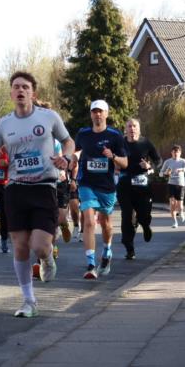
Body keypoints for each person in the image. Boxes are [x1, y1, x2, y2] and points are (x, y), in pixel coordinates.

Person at [0, 71, 74, 318]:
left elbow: (68, 142)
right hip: (15, 189)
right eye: (16, 87)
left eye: (25, 87)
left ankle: (46, 259)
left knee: (40, 246)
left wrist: (66, 158)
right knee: (20, 247)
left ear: (33, 92)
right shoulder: (3, 124)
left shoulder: (49, 117)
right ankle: (28, 300)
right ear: (11, 93)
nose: (20, 91)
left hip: (44, 187)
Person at [75, 100, 128, 279]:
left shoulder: (115, 135)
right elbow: (76, 152)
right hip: (86, 183)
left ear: (106, 114)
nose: (97, 115)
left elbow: (125, 162)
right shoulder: (83, 133)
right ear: (91, 114)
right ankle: (91, 264)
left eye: (101, 112)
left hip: (106, 186)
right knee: (89, 220)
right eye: (94, 111)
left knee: (106, 224)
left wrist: (112, 156)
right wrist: (71, 159)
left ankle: (107, 251)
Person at [118, 118, 160, 258]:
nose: (132, 129)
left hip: (142, 183)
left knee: (143, 214)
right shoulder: (120, 143)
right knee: (127, 216)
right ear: (126, 129)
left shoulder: (145, 143)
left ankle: (145, 225)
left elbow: (158, 160)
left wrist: (149, 166)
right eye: (129, 126)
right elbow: (112, 159)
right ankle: (129, 248)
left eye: (134, 126)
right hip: (124, 183)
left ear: (139, 129)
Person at [160, 145, 185, 227]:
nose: (176, 154)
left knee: (180, 205)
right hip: (171, 184)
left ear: (180, 153)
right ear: (171, 153)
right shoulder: (167, 162)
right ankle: (175, 222)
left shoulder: (183, 161)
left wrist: (182, 169)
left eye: (177, 152)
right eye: (174, 152)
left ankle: (181, 212)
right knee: (172, 204)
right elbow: (160, 173)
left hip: (180, 184)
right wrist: (166, 173)